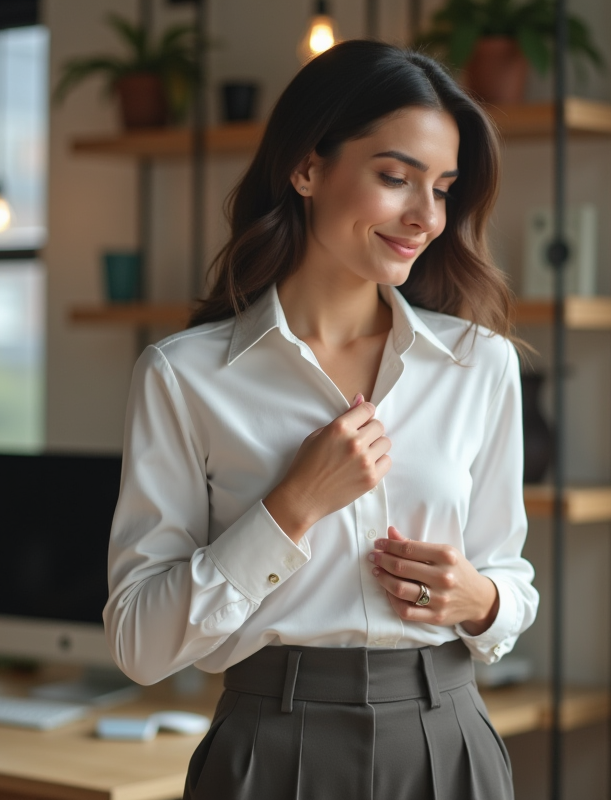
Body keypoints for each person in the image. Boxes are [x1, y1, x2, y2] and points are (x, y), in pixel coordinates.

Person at [104, 38, 539, 800]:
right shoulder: (184, 376)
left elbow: (508, 576)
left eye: (442, 188)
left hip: (447, 743)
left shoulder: (480, 365)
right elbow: (139, 643)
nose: (424, 216)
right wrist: (291, 506)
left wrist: (485, 602)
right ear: (307, 168)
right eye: (395, 177)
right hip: (269, 748)